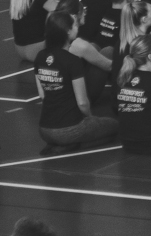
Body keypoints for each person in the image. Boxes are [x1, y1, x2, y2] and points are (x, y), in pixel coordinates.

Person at [33, 12, 119, 147]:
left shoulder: (40, 56)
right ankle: (73, 145)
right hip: (69, 129)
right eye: (75, 26)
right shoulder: (72, 61)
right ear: (68, 31)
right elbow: (82, 103)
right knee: (114, 126)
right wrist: (90, 118)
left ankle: (65, 144)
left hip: (44, 129)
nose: (77, 28)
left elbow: (42, 95)